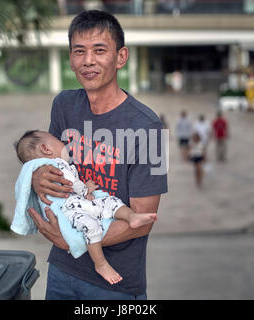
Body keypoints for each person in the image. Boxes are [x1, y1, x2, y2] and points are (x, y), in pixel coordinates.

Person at [27, 10, 168, 300]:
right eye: (79, 51)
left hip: (115, 285)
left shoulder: (148, 126)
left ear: (121, 57)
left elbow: (142, 220)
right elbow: (48, 165)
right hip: (62, 272)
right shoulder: (64, 105)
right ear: (70, 58)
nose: (88, 61)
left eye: (99, 50)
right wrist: (38, 176)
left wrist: (72, 241)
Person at [14, 130, 157, 285]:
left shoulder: (50, 166)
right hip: (70, 210)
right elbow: (70, 184)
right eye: (57, 139)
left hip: (80, 203)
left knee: (109, 202)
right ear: (46, 149)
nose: (64, 143)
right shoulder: (54, 165)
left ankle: (132, 216)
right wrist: (85, 189)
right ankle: (101, 264)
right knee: (92, 225)